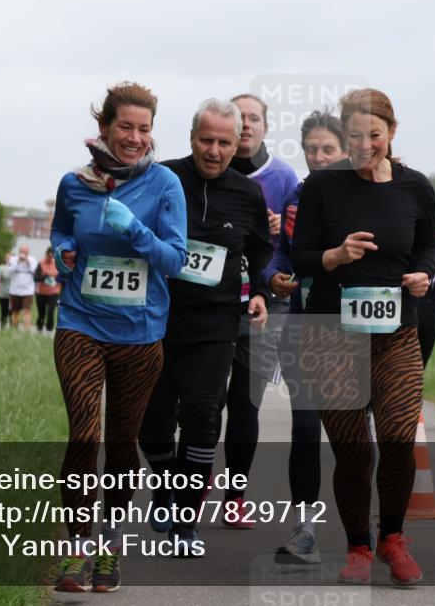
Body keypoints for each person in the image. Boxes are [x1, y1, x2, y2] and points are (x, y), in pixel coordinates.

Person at [291, 88, 435, 586]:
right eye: (354, 136)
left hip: (395, 332)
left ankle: (393, 538)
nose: (363, 145)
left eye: (373, 135)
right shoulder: (321, 186)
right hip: (331, 333)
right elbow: (300, 256)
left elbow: (431, 244)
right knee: (353, 449)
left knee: (398, 439)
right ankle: (358, 546)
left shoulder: (415, 186)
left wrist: (423, 273)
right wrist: (334, 256)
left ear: (392, 132)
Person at [49, 81, 187, 592]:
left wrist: (134, 229)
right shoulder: (74, 183)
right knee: (85, 435)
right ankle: (77, 548)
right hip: (80, 323)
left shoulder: (165, 184)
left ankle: (109, 543)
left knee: (122, 443)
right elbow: (61, 231)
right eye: (125, 127)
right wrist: (62, 251)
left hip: (140, 333)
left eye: (144, 129)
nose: (134, 137)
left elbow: (175, 259)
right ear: (104, 127)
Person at [139, 98, 271, 555]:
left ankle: (185, 522)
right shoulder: (163, 178)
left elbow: (262, 251)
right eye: (206, 140)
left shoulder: (248, 194)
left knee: (202, 416)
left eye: (224, 143)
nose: (214, 151)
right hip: (158, 318)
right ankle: (164, 482)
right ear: (191, 138)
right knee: (152, 424)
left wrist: (260, 290)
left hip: (216, 322)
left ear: (238, 145)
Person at [262, 109, 347, 563]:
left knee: (354, 434)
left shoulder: (365, 197)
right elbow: (280, 255)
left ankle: (363, 534)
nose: (318, 157)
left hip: (353, 331)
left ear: (346, 150)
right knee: (307, 426)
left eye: (327, 149)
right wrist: (273, 276)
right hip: (303, 326)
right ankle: (305, 529)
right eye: (311, 149)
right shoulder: (296, 198)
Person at [217, 93, 301, 522]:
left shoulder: (283, 177)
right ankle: (191, 483)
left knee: (245, 401)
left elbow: (300, 243)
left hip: (265, 303)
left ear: (266, 126)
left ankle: (235, 495)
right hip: (213, 301)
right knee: (205, 400)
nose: (246, 125)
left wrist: (278, 230)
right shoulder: (210, 168)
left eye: (254, 118)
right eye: (239, 118)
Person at [9, 245, 37, 330]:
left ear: (28, 252)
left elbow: (35, 271)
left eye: (25, 252)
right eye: (22, 251)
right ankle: (14, 328)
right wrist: (18, 262)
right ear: (19, 251)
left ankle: (26, 330)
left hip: (28, 290)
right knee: (15, 310)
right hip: (15, 289)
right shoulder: (13, 259)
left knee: (27, 310)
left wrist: (27, 262)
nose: (23, 254)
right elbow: (10, 271)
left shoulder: (32, 259)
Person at [35, 247, 62, 332]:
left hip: (54, 292)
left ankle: (49, 329)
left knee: (50, 312)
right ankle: (39, 328)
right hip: (41, 292)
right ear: (46, 255)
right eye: (49, 257)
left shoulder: (57, 264)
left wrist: (58, 281)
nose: (50, 258)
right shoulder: (40, 263)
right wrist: (44, 276)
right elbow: (35, 278)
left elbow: (62, 277)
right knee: (41, 312)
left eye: (52, 257)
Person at [0, 254, 13, 329]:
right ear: (5, 259)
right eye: (7, 258)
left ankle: (12, 327)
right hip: (3, 293)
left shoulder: (16, 268)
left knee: (12, 311)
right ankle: (3, 327)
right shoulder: (1, 268)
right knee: (4, 311)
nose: (9, 260)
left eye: (11, 258)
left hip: (14, 293)